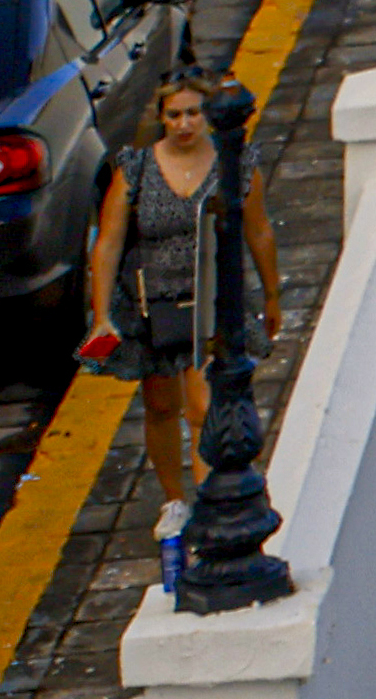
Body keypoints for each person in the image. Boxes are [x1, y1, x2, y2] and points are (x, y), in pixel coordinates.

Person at [80, 75, 263, 575]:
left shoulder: (232, 163)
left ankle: (208, 499)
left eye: (193, 113)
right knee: (161, 405)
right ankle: (175, 499)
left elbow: (258, 230)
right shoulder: (135, 169)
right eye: (175, 114)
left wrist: (270, 294)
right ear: (161, 118)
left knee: (203, 405)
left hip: (207, 301)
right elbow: (109, 244)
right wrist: (101, 317)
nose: (184, 123)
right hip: (151, 303)